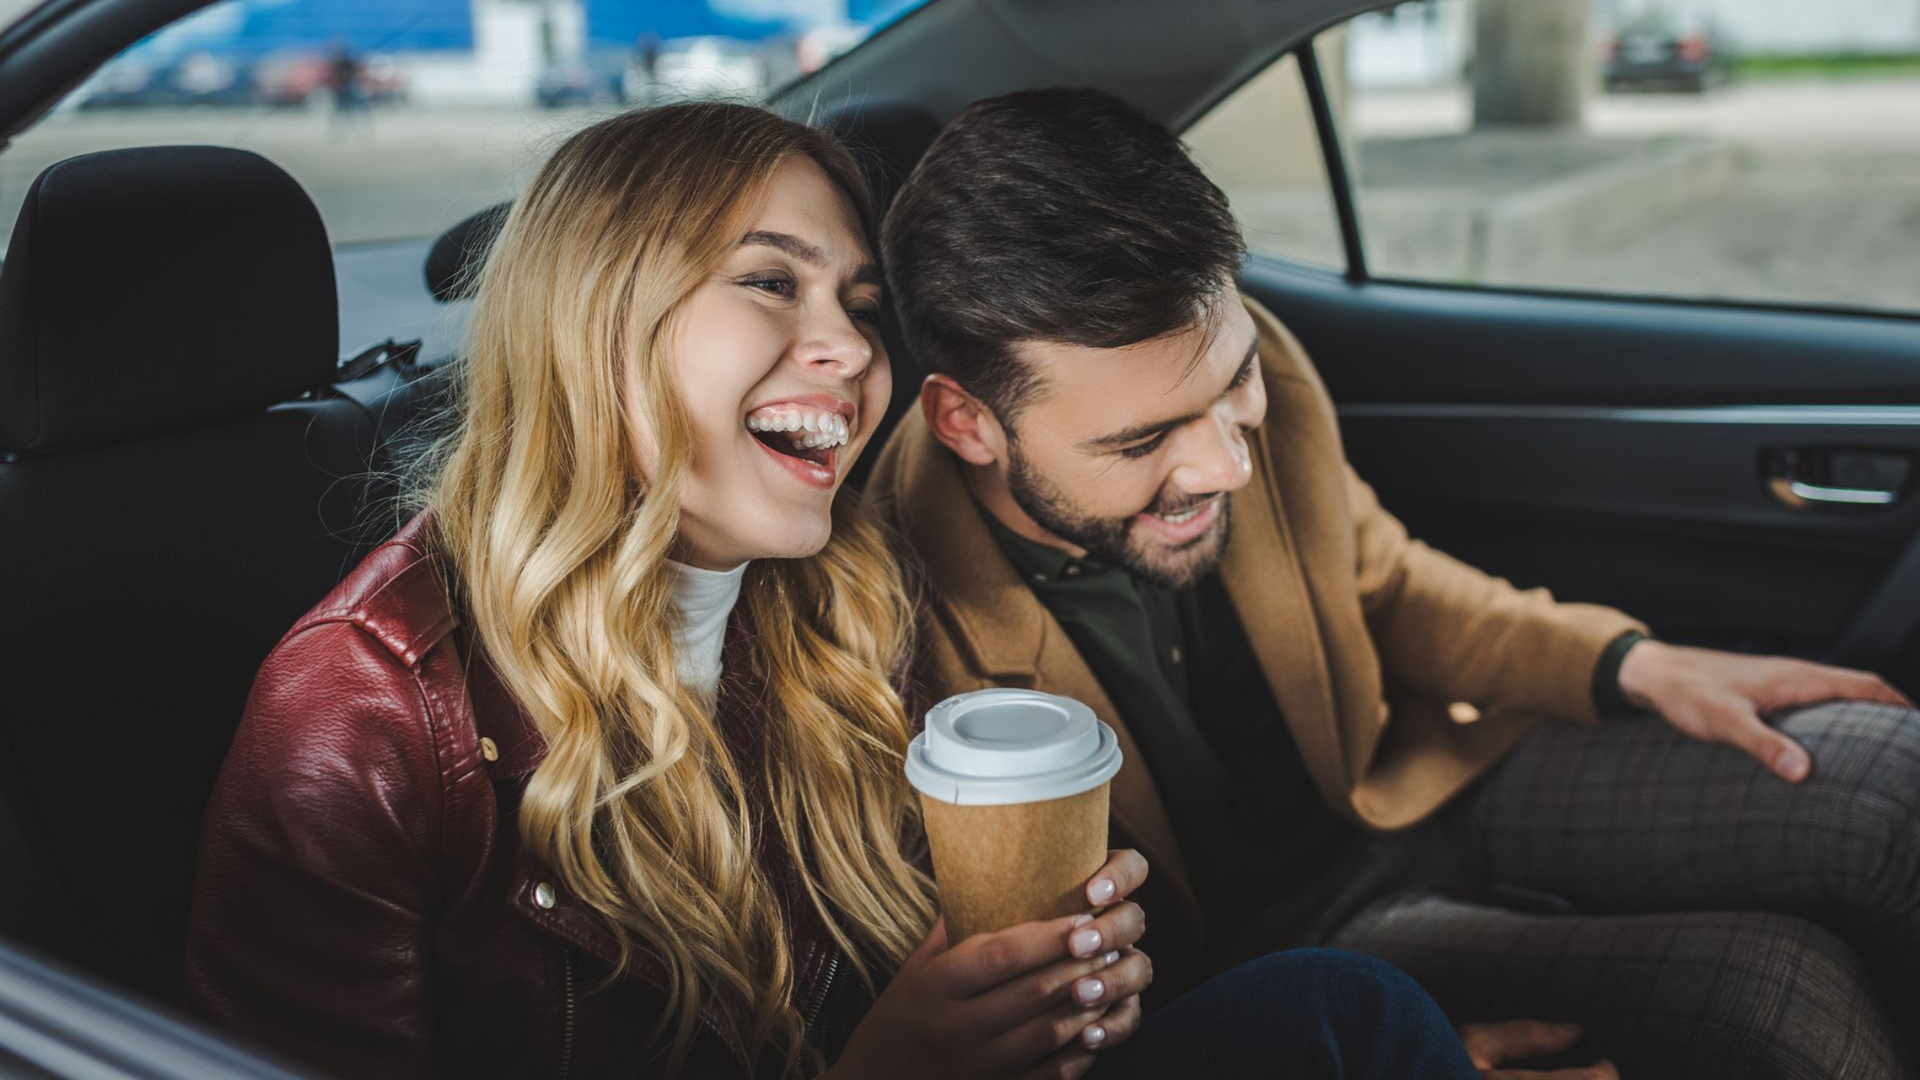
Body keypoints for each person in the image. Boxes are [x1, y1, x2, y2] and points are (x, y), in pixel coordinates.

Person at [184, 102, 1481, 1080]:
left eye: (862, 303)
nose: (854, 349)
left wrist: (1058, 985)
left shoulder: (833, 600)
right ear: (597, 321)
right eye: (770, 282)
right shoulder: (358, 720)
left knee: (1343, 1013)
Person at [869, 86, 1920, 1080]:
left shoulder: (1253, 358)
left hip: (1409, 778)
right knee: (1782, 996)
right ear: (968, 422)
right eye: (1143, 441)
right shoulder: (888, 621)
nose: (1228, 466)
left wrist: (1634, 665)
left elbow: (1381, 582)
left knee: (1893, 784)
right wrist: (1367, 1052)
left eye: (1229, 387)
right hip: (1272, 958)